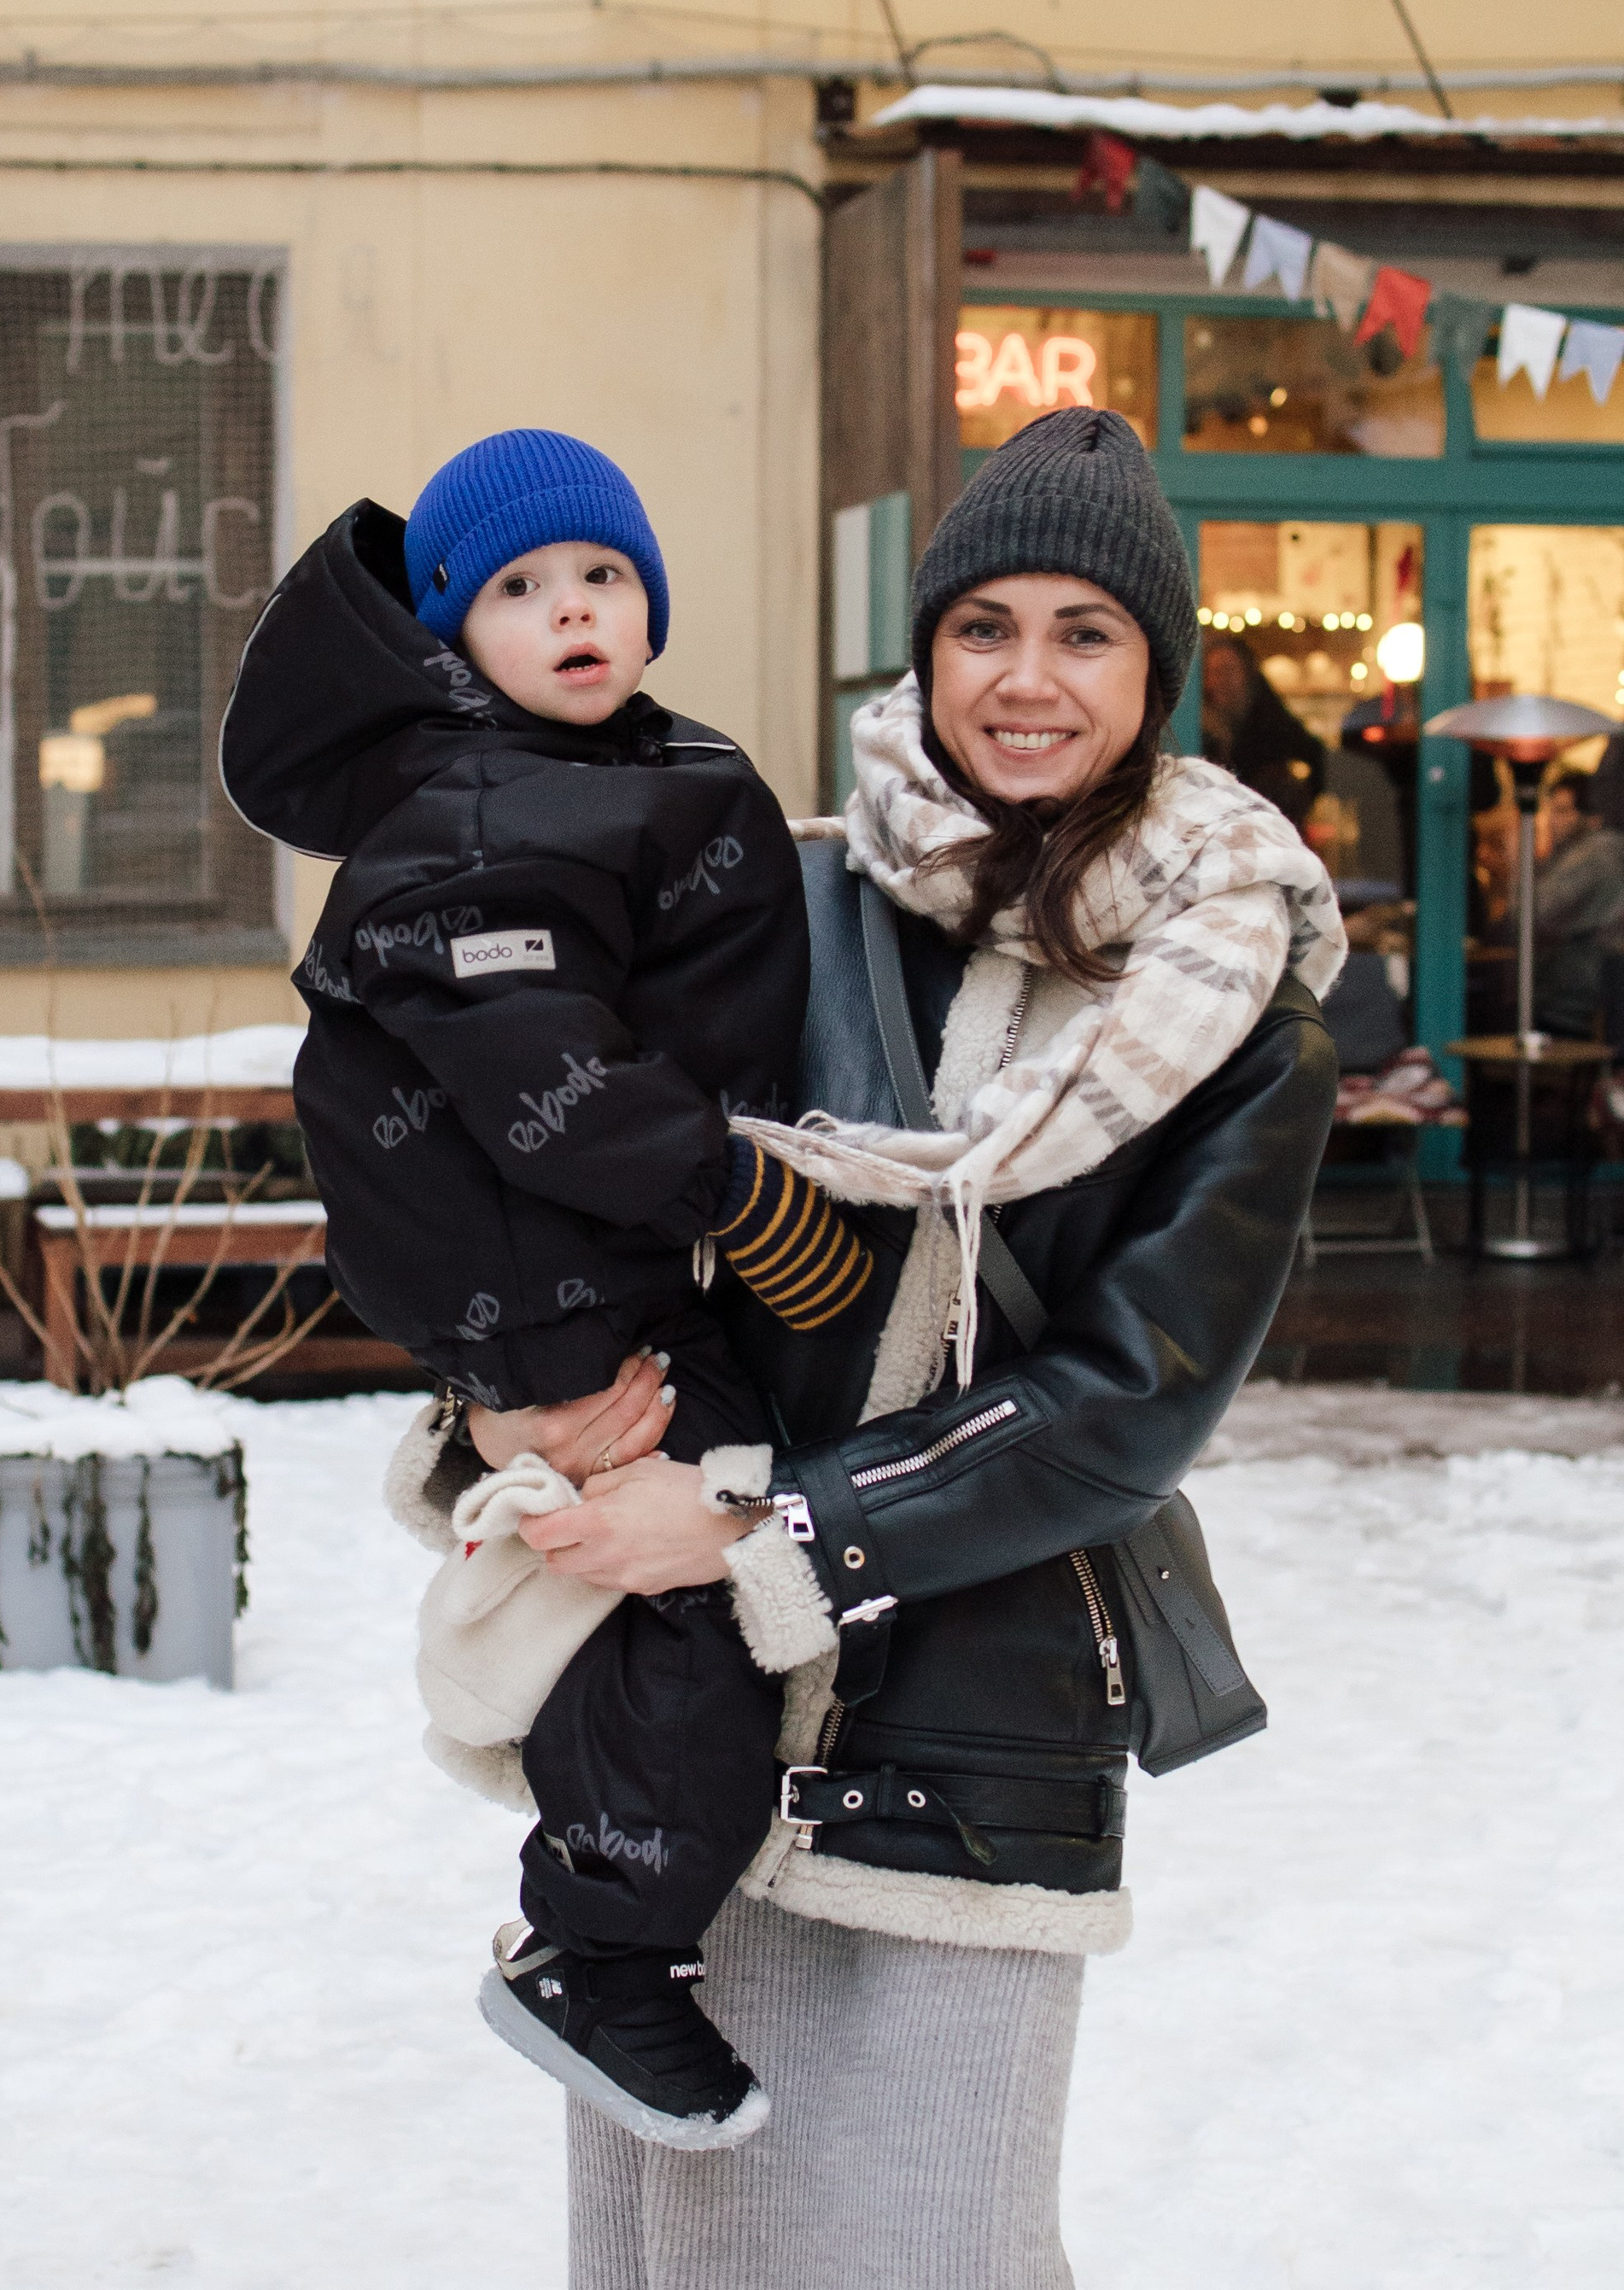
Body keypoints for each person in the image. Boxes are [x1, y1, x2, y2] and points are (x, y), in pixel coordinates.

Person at [409, 406, 1341, 2287]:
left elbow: (1121, 1408)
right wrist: (516, 1402)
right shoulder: (772, 895)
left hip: (976, 1726)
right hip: (686, 1738)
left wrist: (769, 1545)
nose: (1023, 677)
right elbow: (575, 1179)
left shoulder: (1239, 1017)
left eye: (1083, 631)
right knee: (683, 2253)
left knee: (934, 2248)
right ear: (921, 649)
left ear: (1154, 668)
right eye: (980, 624)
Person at [223, 429, 881, 2150]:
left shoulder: (613, 770)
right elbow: (536, 1073)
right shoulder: (477, 805)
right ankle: (598, 1946)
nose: (570, 610)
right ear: (457, 638)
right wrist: (729, 1187)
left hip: (594, 1242)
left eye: (600, 577)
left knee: (681, 1545)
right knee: (703, 1571)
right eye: (517, 590)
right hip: (546, 1257)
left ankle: (611, 1885)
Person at [1525, 765, 1624, 1039]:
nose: (1552, 821)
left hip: (1573, 998)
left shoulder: (1593, 856)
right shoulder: (1585, 853)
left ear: (1590, 817)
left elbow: (1531, 914)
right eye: (1551, 811)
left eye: (1562, 811)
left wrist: (1520, 862)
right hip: (1590, 992)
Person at [1198, 626, 1320, 832]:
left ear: (1247, 674)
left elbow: (1316, 756)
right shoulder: (1202, 726)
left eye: (1228, 671)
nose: (1219, 681)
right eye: (1213, 672)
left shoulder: (1271, 721)